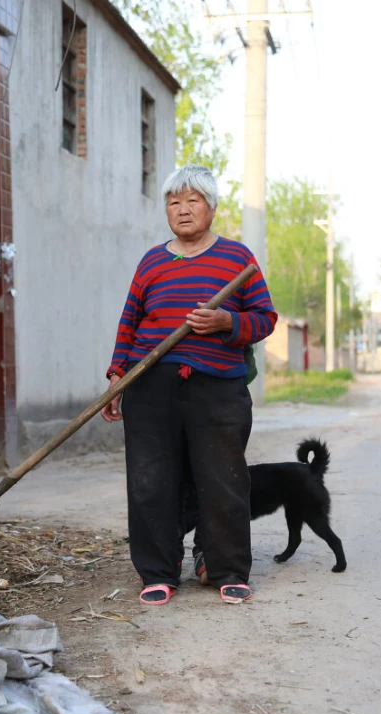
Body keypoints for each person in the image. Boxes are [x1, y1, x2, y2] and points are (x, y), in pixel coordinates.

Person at [101, 164, 276, 605]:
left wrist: (225, 321)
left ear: (212, 208)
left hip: (217, 385)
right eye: (173, 202)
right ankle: (158, 571)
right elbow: (130, 321)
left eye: (192, 200)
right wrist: (118, 376)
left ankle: (226, 567)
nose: (182, 209)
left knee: (222, 480)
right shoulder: (152, 261)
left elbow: (265, 318)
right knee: (150, 481)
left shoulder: (238, 259)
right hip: (150, 384)